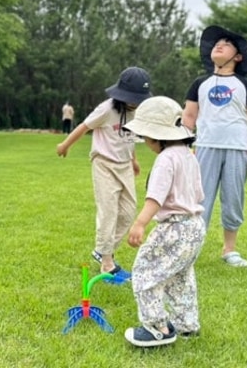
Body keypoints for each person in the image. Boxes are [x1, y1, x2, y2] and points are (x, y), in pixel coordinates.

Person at [122, 96, 206, 348]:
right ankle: (187, 324)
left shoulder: (166, 159)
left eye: (147, 137)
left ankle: (158, 327)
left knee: (146, 271)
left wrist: (139, 223)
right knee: (181, 277)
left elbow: (155, 198)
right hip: (195, 226)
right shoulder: (189, 156)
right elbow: (199, 194)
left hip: (174, 228)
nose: (146, 143)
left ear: (158, 136)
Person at [56, 67, 152, 277]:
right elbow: (83, 126)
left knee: (127, 213)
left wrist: (134, 160)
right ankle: (107, 262)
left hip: (125, 165)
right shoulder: (106, 109)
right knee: (108, 211)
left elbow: (129, 138)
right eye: (132, 98)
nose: (135, 102)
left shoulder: (137, 112)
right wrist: (65, 145)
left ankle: (103, 251)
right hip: (104, 164)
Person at [182, 25, 247, 268]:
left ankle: (229, 250)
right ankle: (190, 251)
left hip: (237, 148)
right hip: (205, 146)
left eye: (227, 43)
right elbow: (188, 117)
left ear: (237, 57)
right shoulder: (200, 83)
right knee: (200, 200)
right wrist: (184, 148)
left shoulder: (246, 86)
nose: (219, 45)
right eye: (216, 43)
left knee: (233, 199)